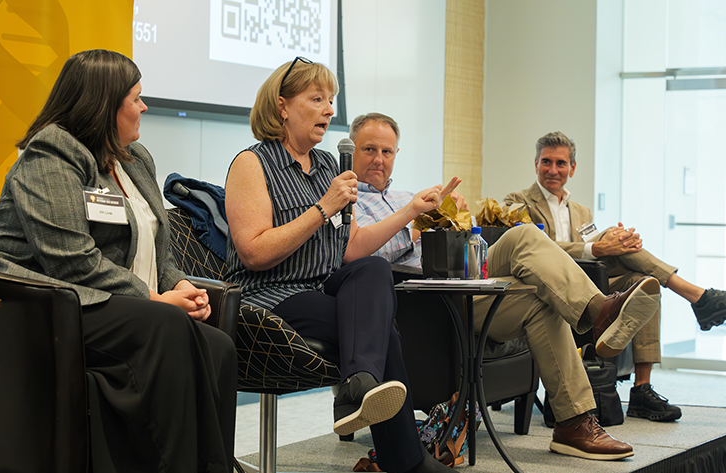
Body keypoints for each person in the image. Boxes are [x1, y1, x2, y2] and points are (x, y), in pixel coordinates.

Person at [0, 50, 236, 473]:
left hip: (114, 300)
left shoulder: (136, 160)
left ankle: (211, 465)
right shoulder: (52, 153)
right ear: (104, 105)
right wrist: (154, 300)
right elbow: (70, 261)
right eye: (136, 98)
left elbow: (158, 248)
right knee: (168, 326)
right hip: (48, 302)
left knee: (220, 347)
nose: (144, 107)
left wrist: (178, 287)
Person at [350, 112, 659, 460]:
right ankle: (596, 315)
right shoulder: (349, 201)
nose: (379, 159)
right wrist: (414, 220)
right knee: (525, 237)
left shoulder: (406, 196)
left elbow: (443, 242)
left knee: (542, 285)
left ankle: (573, 421)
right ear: (352, 151)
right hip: (427, 304)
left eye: (387, 152)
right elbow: (359, 253)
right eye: (369, 149)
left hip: (461, 281)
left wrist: (451, 218)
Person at [223, 57, 478, 473]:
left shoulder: (328, 165)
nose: (329, 110)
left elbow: (352, 248)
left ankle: (358, 388)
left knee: (374, 271)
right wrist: (323, 208)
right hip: (270, 296)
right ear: (283, 106)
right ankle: (405, 459)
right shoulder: (251, 164)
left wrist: (410, 211)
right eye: (317, 99)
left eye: (332, 100)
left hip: (322, 285)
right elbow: (253, 252)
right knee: (384, 331)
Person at [504, 131, 726, 422]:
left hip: (589, 283)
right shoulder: (517, 202)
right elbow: (532, 248)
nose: (553, 170)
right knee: (611, 244)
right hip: (547, 288)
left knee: (642, 284)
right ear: (536, 164)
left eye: (561, 163)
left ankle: (642, 390)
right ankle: (697, 296)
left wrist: (617, 240)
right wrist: (597, 246)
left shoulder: (581, 211)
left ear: (572, 168)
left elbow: (595, 250)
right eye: (546, 162)